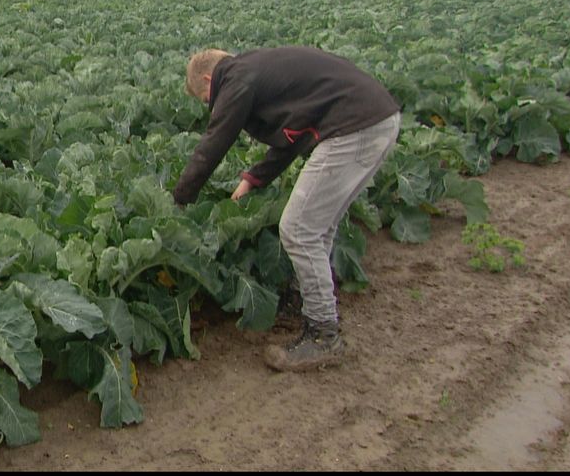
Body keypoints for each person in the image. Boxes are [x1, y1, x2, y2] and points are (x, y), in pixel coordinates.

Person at [172, 46, 401, 372]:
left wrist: (180, 199)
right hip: (375, 120)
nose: (213, 107)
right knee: (318, 226)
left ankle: (324, 334)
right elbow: (294, 136)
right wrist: (255, 178)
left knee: (298, 228)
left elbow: (215, 141)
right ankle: (305, 301)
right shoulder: (255, 70)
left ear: (210, 78)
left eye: (208, 100)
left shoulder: (236, 78)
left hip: (355, 128)